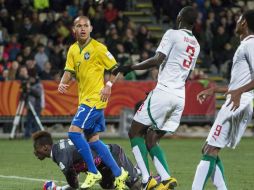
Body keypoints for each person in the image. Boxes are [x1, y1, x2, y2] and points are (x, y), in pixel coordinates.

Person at [113, 6, 200, 190]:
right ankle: (166, 178)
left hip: (164, 91)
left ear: (179, 17)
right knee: (151, 137)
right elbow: (187, 73)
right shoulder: (196, 45)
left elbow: (157, 59)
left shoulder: (172, 34)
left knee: (134, 132)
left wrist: (130, 67)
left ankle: (146, 179)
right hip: (179, 97)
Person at [57, 16, 128, 190]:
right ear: (74, 29)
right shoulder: (73, 49)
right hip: (85, 99)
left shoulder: (98, 48)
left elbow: (116, 68)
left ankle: (93, 171)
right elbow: (69, 70)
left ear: (91, 28)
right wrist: (62, 81)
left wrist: (108, 85)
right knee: (94, 140)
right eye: (79, 26)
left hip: (94, 99)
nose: (82, 29)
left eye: (85, 26)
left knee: (74, 133)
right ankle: (119, 174)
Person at [192, 10, 254, 190]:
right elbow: (240, 83)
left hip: (238, 102)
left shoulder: (250, 45)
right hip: (239, 100)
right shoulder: (246, 44)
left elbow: (242, 87)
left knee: (210, 150)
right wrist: (216, 89)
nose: (236, 21)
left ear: (244, 23)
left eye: (239, 19)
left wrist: (238, 93)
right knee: (209, 149)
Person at [33, 131, 141, 190]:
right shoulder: (59, 148)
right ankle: (138, 170)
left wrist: (57, 189)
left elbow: (74, 185)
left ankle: (143, 174)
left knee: (135, 186)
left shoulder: (60, 156)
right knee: (109, 187)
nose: (35, 153)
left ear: (45, 147)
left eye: (36, 149)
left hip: (112, 155)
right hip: (101, 166)